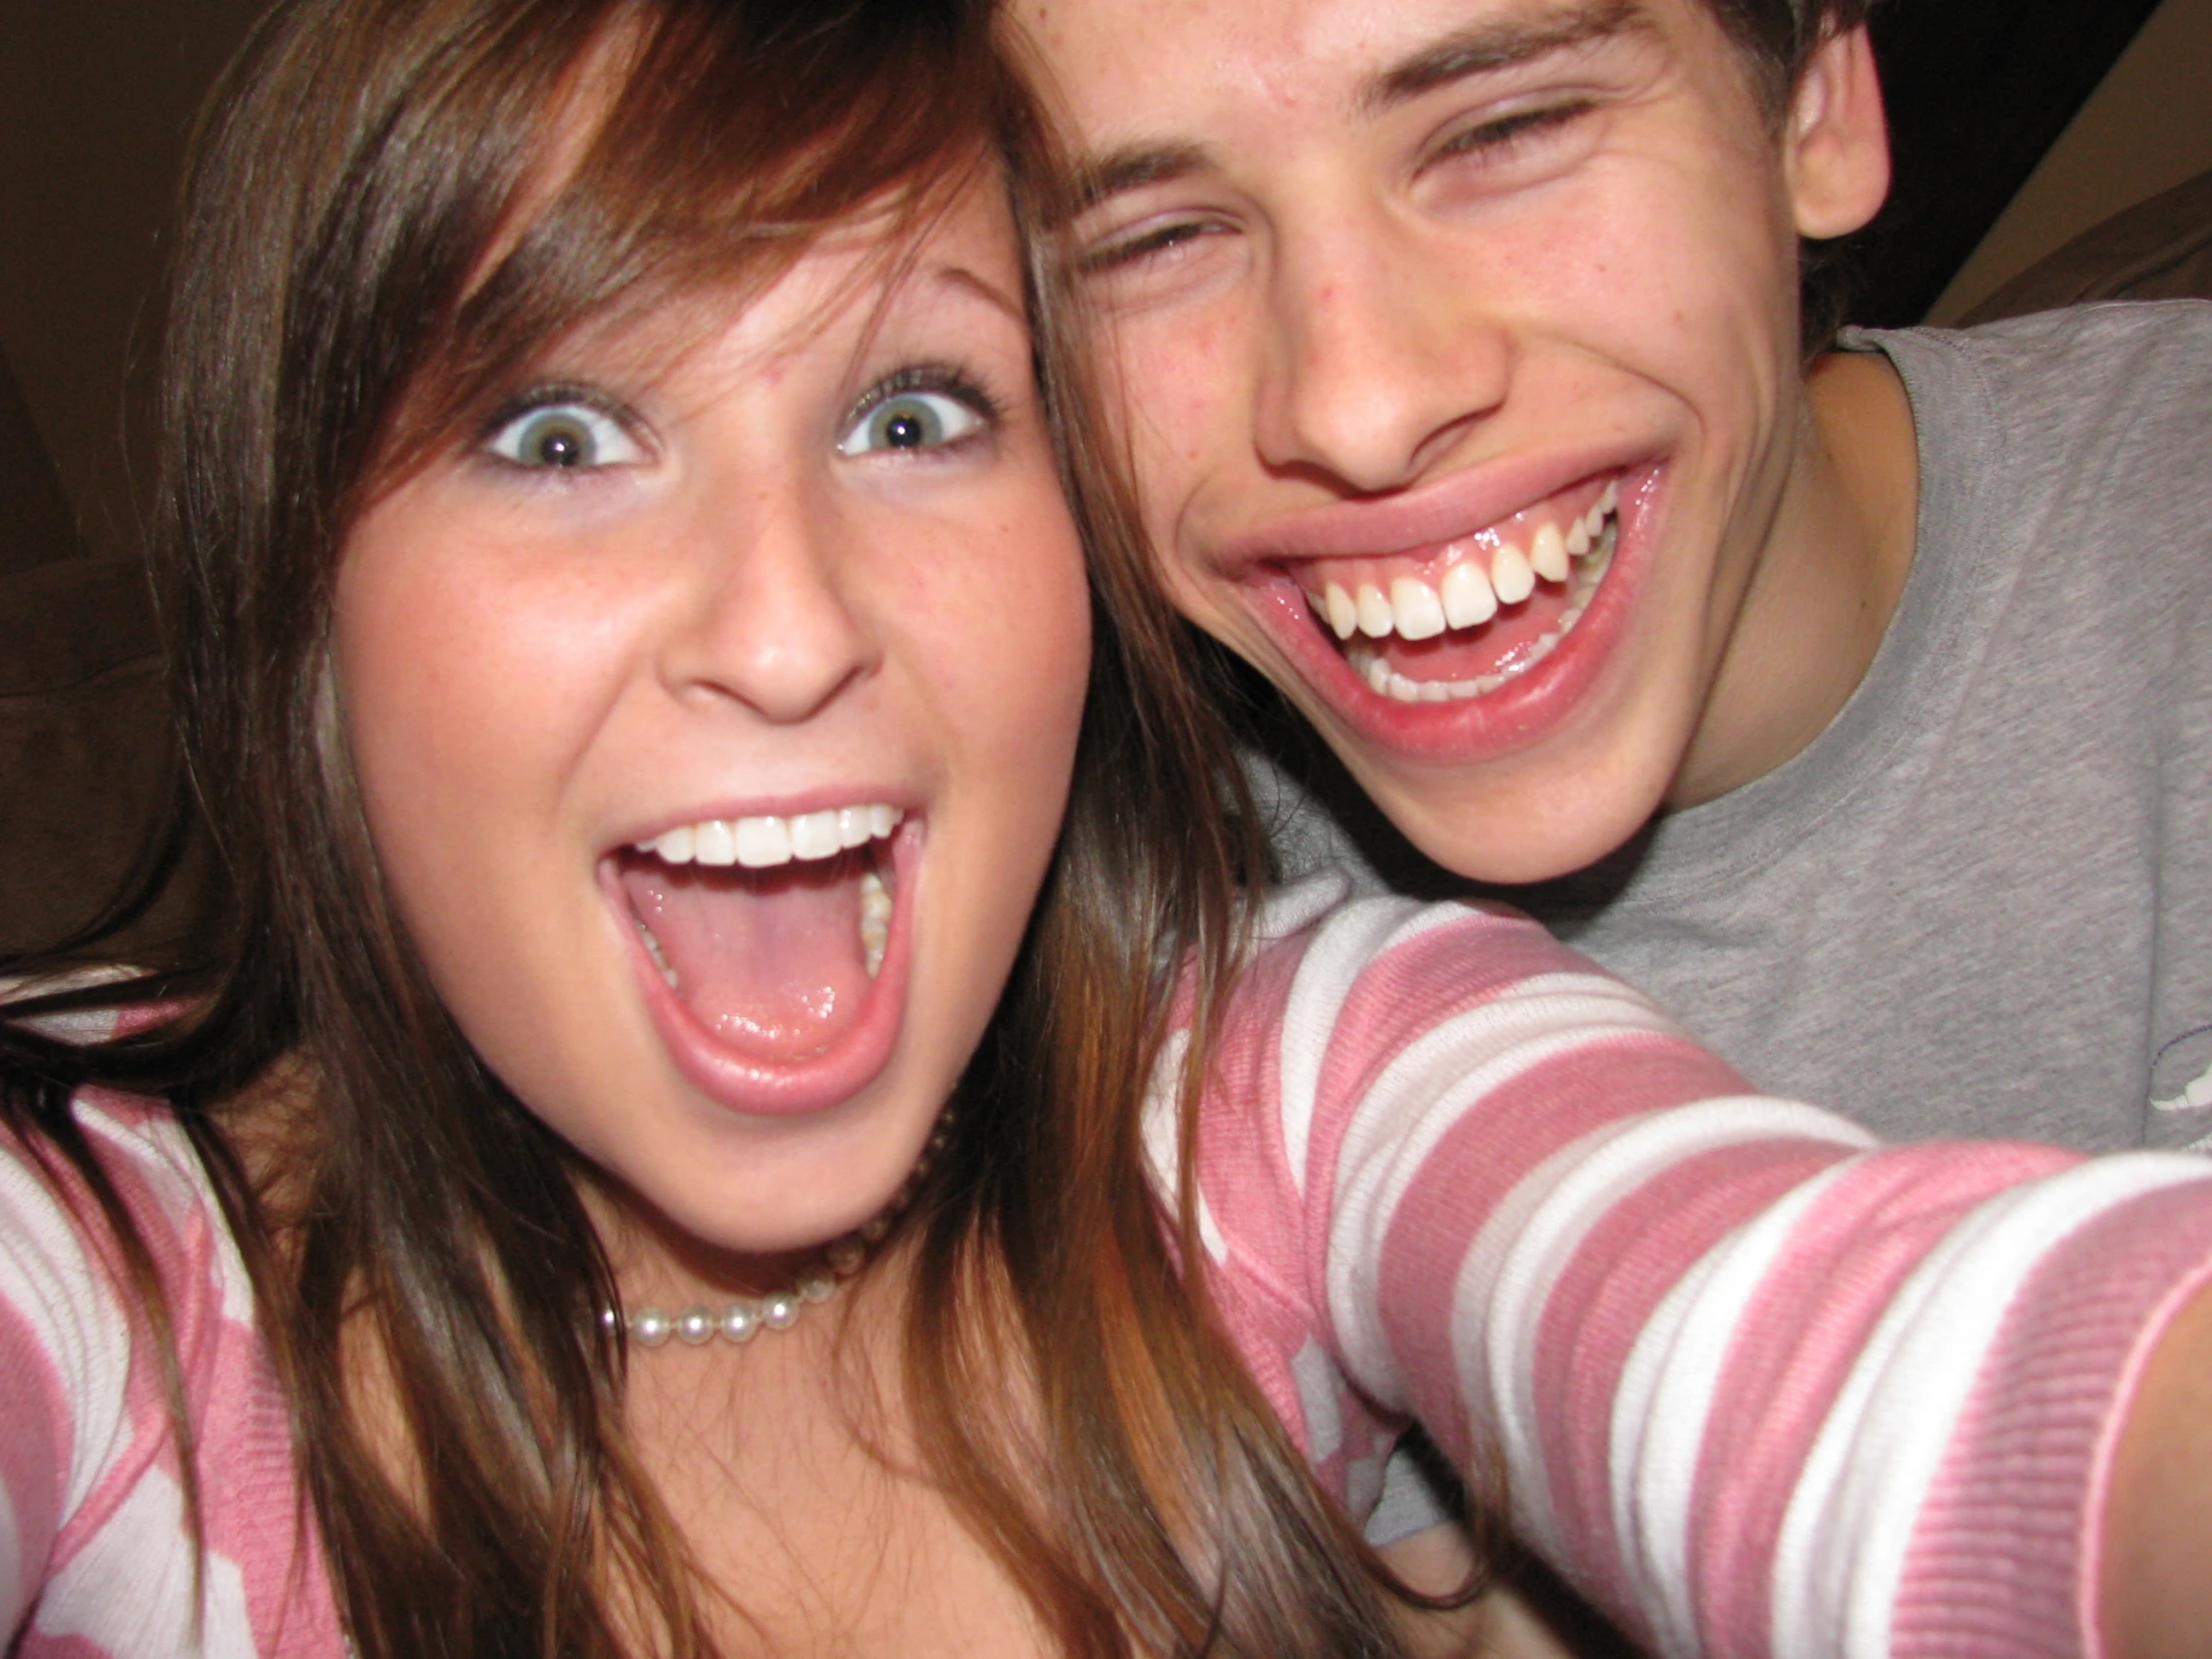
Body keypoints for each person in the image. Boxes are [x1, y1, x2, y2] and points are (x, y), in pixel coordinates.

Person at [5, 2, 2212, 1657]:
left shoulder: (1274, 1075)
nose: (1353, 403)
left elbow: (1871, 1384)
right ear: (290, 567)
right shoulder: (93, 1265)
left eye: (909, 412)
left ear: (1819, 84)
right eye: (562, 431)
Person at [1001, 0, 2212, 1152]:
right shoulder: (1024, 887)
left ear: (1811, 111)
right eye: (1153, 241)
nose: (1360, 410)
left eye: (1502, 131)